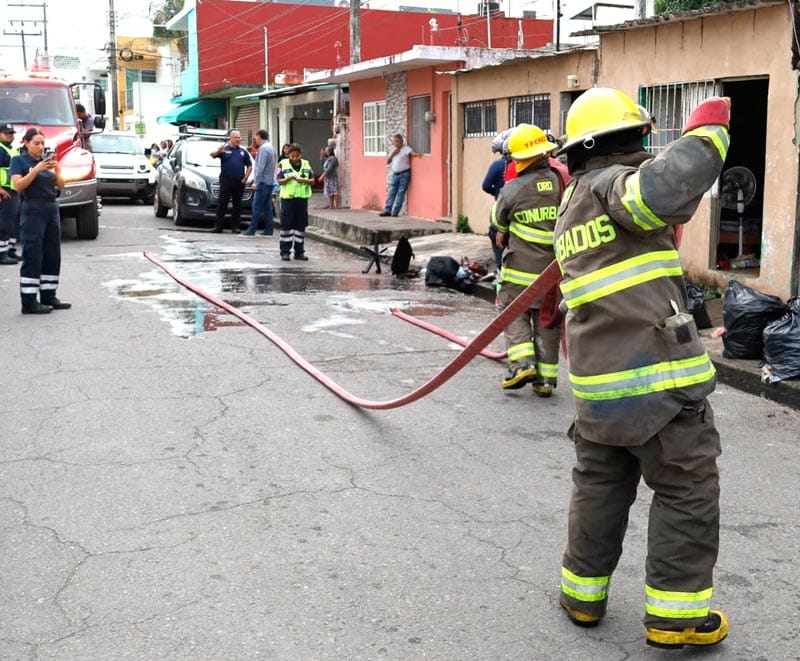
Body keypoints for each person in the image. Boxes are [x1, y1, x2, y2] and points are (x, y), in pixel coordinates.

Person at [553, 88, 731, 649]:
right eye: (641, 140)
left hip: (597, 392)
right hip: (657, 387)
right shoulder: (613, 187)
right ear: (626, 142)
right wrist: (710, 131)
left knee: (600, 488)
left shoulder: (572, 203)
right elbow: (662, 188)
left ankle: (582, 598)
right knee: (686, 489)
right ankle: (676, 617)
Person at [491, 124, 562, 396]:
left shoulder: (513, 189)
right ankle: (546, 380)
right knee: (547, 320)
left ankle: (522, 366)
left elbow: (497, 220)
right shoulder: (561, 182)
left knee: (513, 310)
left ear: (519, 158)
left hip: (520, 270)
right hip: (553, 273)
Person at [9, 127, 70, 314]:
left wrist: (56, 167)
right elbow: (18, 185)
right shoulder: (19, 161)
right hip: (32, 208)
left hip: (51, 207)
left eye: (42, 143)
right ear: (26, 143)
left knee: (52, 253)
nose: (40, 147)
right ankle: (28, 301)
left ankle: (48, 295)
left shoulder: (47, 162)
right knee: (33, 252)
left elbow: (61, 184)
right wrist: (36, 170)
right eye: (36, 143)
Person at [276, 143, 314, 261]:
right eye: (292, 156)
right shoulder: (283, 164)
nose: (294, 158)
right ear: (288, 155)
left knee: (300, 226)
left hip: (302, 199)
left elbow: (312, 181)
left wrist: (304, 180)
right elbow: (279, 180)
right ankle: (285, 252)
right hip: (288, 200)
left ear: (300, 155)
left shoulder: (306, 164)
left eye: (297, 156)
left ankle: (299, 252)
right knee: (287, 226)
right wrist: (287, 179)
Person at [210, 130, 252, 233]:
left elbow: (249, 165)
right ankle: (218, 226)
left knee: (237, 205)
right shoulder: (225, 149)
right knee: (222, 204)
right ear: (231, 138)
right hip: (226, 180)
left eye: (239, 138)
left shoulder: (243, 151)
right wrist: (218, 151)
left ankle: (235, 227)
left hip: (239, 181)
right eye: (236, 138)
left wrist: (245, 177)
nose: (238, 140)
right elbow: (212, 155)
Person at [482, 129, 511, 270]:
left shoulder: (497, 166)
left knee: (496, 235)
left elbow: (486, 185)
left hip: (502, 210)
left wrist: (497, 193)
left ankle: (501, 269)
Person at [242, 129, 276, 237]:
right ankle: (269, 230)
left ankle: (252, 229)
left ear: (259, 137)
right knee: (267, 207)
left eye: (256, 137)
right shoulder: (271, 147)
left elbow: (260, 167)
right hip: (270, 181)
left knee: (256, 206)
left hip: (263, 182)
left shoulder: (263, 149)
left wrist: (256, 182)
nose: (255, 140)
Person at [379, 134, 420, 217]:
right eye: (395, 141)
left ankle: (396, 211)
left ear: (402, 142)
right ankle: (387, 210)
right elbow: (388, 161)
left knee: (400, 193)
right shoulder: (393, 150)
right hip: (395, 174)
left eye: (398, 141)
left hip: (404, 174)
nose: (396, 143)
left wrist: (418, 154)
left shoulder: (406, 148)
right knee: (391, 192)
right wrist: (393, 153)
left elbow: (412, 153)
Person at [0, 122, 21, 265]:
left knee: (14, 222)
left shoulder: (12, 150)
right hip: (4, 191)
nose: (10, 136)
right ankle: (1, 253)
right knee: (5, 222)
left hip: (14, 190)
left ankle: (10, 250)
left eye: (12, 133)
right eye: (7, 133)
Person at [319, 145, 339, 209]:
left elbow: (329, 169)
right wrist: (321, 157)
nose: (325, 152)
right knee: (330, 192)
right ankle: (331, 205)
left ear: (330, 151)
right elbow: (324, 166)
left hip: (332, 177)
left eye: (327, 150)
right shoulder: (328, 159)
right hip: (328, 178)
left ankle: (336, 205)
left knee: (334, 191)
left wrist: (322, 175)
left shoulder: (333, 158)